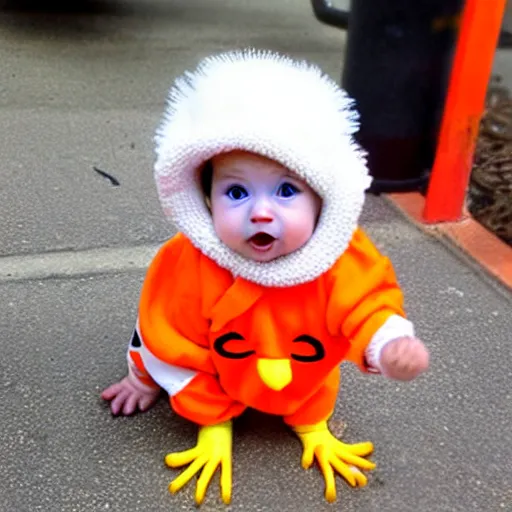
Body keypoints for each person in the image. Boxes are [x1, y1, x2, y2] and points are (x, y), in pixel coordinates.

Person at [101, 49, 430, 506]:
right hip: (219, 376)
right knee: (183, 353)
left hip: (304, 377)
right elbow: (163, 335)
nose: (260, 212)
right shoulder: (189, 265)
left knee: (312, 381)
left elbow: (367, 303)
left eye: (286, 189)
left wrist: (387, 343)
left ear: (322, 198)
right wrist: (145, 380)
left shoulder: (340, 258)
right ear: (204, 200)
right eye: (235, 191)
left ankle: (311, 421)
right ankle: (216, 420)